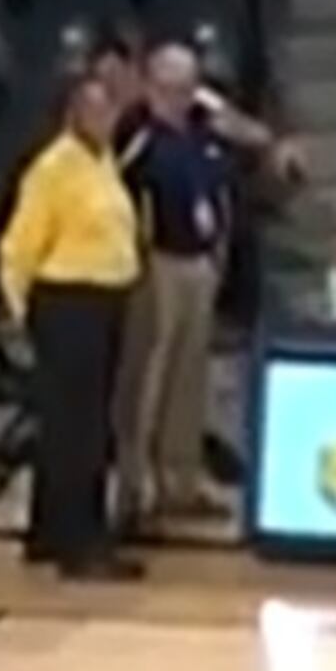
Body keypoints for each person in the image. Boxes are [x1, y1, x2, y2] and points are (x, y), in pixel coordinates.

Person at [0, 73, 142, 580]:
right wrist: (19, 312)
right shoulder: (53, 168)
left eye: (111, 111)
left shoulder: (103, 162)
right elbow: (19, 245)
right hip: (68, 304)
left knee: (76, 423)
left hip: (105, 302)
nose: (106, 120)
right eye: (95, 111)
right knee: (78, 430)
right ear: (74, 113)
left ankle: (49, 532)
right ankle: (82, 544)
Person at [115, 44, 244, 528]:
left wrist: (218, 254)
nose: (181, 98)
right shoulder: (140, 138)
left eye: (189, 88)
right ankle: (134, 484)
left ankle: (180, 481)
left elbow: (225, 184)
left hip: (200, 262)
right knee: (148, 376)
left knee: (190, 380)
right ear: (152, 87)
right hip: (157, 264)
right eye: (172, 88)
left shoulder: (203, 134)